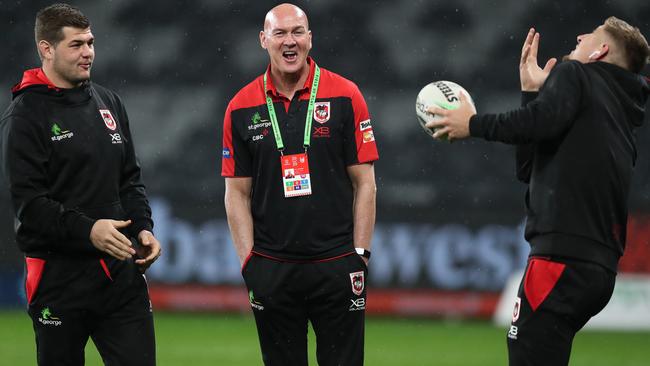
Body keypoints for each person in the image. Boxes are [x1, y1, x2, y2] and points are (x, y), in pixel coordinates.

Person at [426, 17, 650, 365]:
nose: (579, 35)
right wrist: (533, 93)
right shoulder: (619, 109)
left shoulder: (577, 74)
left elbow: (540, 123)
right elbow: (529, 168)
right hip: (599, 271)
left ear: (601, 50)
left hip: (560, 258)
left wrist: (472, 124)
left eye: (589, 34)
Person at [0, 4, 161, 365]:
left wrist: (144, 228)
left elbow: (129, 181)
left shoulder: (109, 102)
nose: (88, 52)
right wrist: (89, 230)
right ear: (46, 49)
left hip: (120, 276)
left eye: (90, 42)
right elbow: (30, 206)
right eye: (75, 45)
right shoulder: (24, 116)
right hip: (58, 280)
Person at [221, 3, 378, 365]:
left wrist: (360, 255)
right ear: (264, 40)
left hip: (337, 263)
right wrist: (249, 263)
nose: (289, 41)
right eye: (279, 33)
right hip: (272, 267)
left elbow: (365, 183)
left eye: (297, 32)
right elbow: (236, 193)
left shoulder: (345, 95)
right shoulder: (240, 106)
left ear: (310, 38)